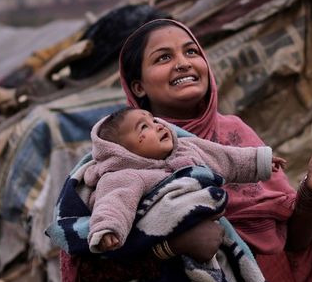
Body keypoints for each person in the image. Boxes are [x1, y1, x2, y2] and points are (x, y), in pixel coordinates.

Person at [62, 18, 312, 282]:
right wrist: (173, 246)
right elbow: (92, 266)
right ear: (138, 86)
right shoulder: (120, 161)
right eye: (164, 57)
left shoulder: (238, 137)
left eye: (191, 52)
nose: (183, 63)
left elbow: (293, 241)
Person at [87, 106, 286, 252]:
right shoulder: (126, 176)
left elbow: (226, 158)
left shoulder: (187, 148)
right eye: (143, 128)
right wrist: (108, 229)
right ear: (121, 152)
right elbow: (113, 202)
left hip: (216, 246)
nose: (157, 126)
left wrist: (259, 161)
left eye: (154, 120)